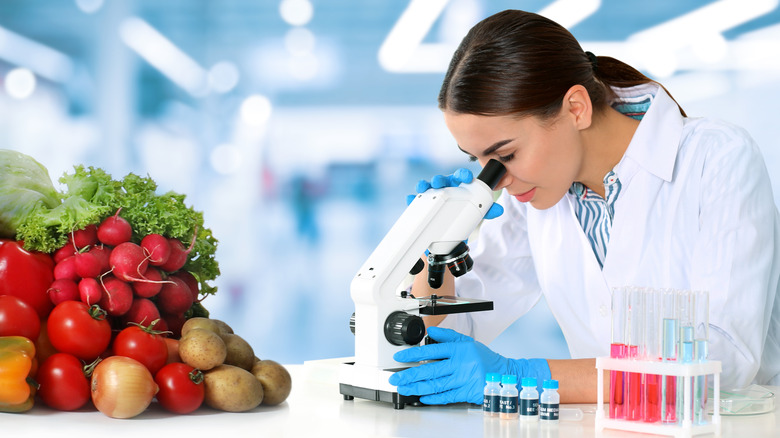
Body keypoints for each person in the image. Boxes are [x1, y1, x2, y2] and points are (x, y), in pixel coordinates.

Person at [388, 9, 780, 405]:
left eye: (505, 154)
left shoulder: (717, 157)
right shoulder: (537, 193)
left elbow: (725, 361)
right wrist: (433, 253)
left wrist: (526, 376)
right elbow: (455, 331)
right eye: (482, 163)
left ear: (576, 108)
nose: (497, 181)